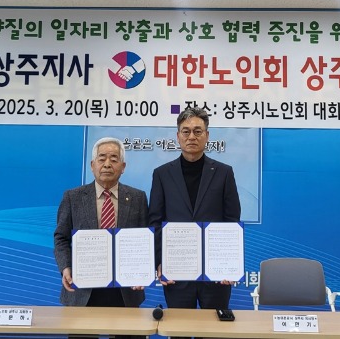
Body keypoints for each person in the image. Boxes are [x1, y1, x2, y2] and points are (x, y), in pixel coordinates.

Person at [149, 106, 241, 327]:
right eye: (186, 131)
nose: (192, 136)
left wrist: (228, 264)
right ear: (178, 136)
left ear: (207, 135)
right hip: (176, 272)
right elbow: (155, 221)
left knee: (214, 331)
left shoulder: (224, 172)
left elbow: (232, 221)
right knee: (179, 329)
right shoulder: (162, 174)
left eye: (198, 131)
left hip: (215, 275)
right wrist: (160, 262)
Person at [53, 137, 148, 339]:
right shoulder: (73, 197)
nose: (107, 164)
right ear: (92, 165)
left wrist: (142, 272)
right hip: (83, 288)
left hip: (124, 290)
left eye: (114, 159)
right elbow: (61, 237)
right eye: (102, 158)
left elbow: (145, 239)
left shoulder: (138, 198)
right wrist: (65, 267)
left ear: (123, 167)